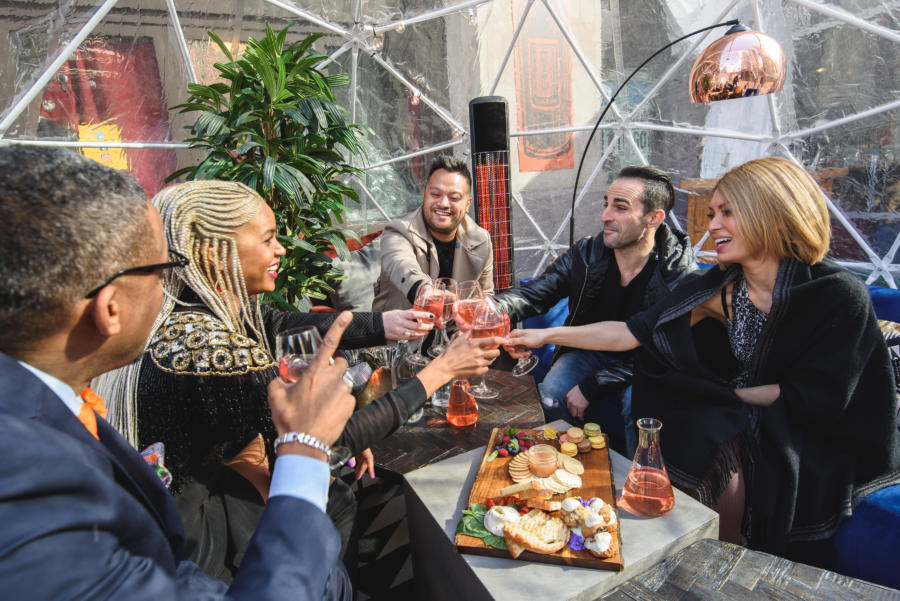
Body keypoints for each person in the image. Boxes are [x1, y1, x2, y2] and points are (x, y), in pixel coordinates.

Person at [93, 179, 502, 581]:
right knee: (340, 493)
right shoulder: (207, 346)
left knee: (347, 482)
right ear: (214, 253)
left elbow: (279, 323)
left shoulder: (203, 308)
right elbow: (324, 440)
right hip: (203, 542)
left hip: (215, 486)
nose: (281, 249)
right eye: (268, 239)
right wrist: (442, 371)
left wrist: (386, 323)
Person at [0, 146, 357, 599]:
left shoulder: (45, 409)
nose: (171, 288)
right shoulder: (31, 492)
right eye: (165, 269)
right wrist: (304, 449)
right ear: (110, 308)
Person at [508, 156, 900, 568]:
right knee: (685, 412)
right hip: (746, 403)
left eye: (728, 212)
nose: (711, 225)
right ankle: (683, 547)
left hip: (817, 424)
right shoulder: (718, 288)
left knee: (713, 424)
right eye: (712, 213)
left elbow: (820, 397)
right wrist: (544, 334)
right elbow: (631, 332)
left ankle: (727, 561)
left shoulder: (837, 294)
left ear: (773, 211)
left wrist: (733, 397)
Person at [497, 166, 696, 453]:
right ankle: (566, 467)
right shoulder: (588, 254)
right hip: (589, 351)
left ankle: (637, 483)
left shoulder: (676, 273)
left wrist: (593, 384)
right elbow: (536, 294)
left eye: (620, 207)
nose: (605, 216)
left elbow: (663, 350)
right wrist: (492, 306)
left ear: (653, 218)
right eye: (606, 205)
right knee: (551, 392)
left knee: (637, 405)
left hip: (647, 362)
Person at [373, 155, 494, 311]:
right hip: (405, 333)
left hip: (456, 332)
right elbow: (401, 264)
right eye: (435, 195)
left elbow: (485, 297)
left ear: (468, 203)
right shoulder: (398, 231)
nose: (443, 203)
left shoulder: (481, 240)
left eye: (454, 198)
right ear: (424, 193)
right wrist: (424, 290)